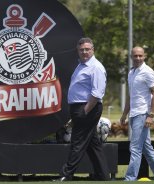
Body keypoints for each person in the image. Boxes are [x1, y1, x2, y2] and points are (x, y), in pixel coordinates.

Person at [55, 37, 109, 181]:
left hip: (88, 107)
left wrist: (84, 111)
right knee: (93, 144)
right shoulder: (81, 65)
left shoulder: (96, 67)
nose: (84, 52)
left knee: (77, 142)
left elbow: (97, 94)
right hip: (80, 107)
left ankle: (66, 174)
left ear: (93, 50)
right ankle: (103, 176)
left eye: (87, 49)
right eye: (81, 50)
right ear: (78, 51)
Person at [120, 46, 154, 181]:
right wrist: (124, 114)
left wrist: (150, 115)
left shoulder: (148, 72)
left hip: (142, 114)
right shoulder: (131, 73)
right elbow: (131, 95)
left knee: (135, 147)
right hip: (133, 114)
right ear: (131, 57)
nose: (138, 58)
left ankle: (129, 178)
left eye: (140, 56)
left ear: (144, 56)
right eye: (135, 56)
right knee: (147, 148)